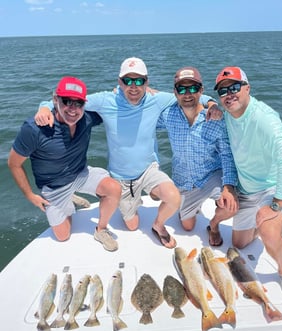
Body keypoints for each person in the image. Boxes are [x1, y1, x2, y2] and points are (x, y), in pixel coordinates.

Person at [35, 58, 217, 249]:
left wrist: (211, 103)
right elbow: (71, 102)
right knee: (132, 226)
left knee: (173, 197)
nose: (133, 86)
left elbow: (190, 96)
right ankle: (117, 200)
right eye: (128, 81)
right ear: (119, 82)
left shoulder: (156, 99)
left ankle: (158, 225)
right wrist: (45, 106)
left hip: (148, 170)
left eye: (139, 81)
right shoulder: (106, 100)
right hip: (121, 178)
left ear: (146, 82)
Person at [214, 66, 282, 303]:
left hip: (272, 189)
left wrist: (275, 205)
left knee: (268, 231)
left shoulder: (264, 117)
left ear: (247, 88)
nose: (229, 94)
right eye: (223, 92)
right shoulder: (228, 115)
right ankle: (261, 223)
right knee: (239, 244)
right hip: (246, 189)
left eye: (234, 87)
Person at [8, 76, 121, 252]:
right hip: (54, 187)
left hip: (80, 173)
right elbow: (14, 164)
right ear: (55, 100)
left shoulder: (88, 118)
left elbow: (113, 106)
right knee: (63, 236)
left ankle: (101, 229)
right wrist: (30, 195)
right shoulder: (34, 129)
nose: (73, 109)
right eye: (67, 101)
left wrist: (121, 94)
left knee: (114, 189)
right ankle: (69, 198)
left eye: (79, 103)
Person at [157, 67, 238, 245]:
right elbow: (143, 117)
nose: (187, 94)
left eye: (193, 88)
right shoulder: (167, 115)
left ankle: (214, 225)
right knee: (188, 227)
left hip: (211, 176)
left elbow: (226, 155)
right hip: (184, 181)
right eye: (182, 89)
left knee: (232, 205)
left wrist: (228, 187)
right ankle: (189, 207)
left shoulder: (216, 118)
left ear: (201, 90)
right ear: (175, 92)